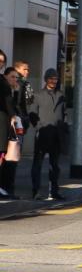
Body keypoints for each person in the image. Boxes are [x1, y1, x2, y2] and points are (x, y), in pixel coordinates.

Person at [29, 68, 66, 200]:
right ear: (46, 79)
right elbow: (32, 114)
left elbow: (63, 114)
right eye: (51, 78)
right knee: (37, 164)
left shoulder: (61, 95)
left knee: (55, 165)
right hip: (43, 134)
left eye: (55, 78)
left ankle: (54, 191)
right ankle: (36, 191)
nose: (53, 81)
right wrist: (39, 127)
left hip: (56, 136)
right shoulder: (38, 95)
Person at [0, 68, 22, 197]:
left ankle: (7, 188)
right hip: (5, 127)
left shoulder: (15, 89)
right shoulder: (4, 88)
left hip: (11, 128)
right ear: (6, 76)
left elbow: (20, 106)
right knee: (5, 157)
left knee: (10, 159)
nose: (15, 80)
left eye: (16, 77)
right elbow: (11, 107)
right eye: (12, 77)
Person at [0, 51, 14, 199]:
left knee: (1, 153)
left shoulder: (2, 80)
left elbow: (9, 102)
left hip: (2, 121)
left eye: (2, 61)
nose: (0, 63)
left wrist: (12, 117)